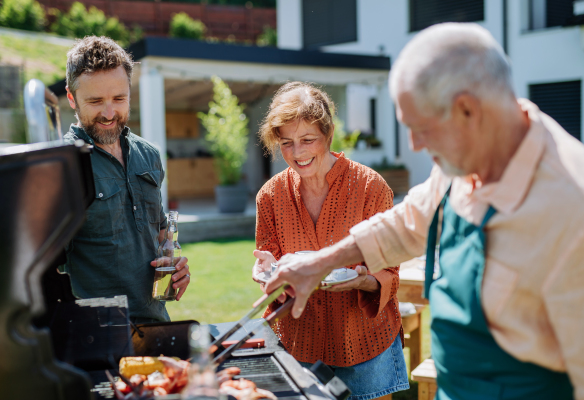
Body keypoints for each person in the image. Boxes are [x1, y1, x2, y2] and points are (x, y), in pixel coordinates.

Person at [266, 23, 583, 400]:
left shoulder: (568, 207)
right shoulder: (464, 162)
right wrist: (319, 263)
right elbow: (405, 225)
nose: (415, 145)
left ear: (467, 109)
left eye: (421, 128)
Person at [252, 82, 409, 399]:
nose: (298, 153)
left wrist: (360, 282)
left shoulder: (370, 187)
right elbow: (272, 267)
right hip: (300, 344)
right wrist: (267, 272)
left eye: (308, 140)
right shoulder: (270, 195)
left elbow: (388, 274)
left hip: (364, 343)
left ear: (328, 134)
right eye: (287, 143)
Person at [62, 36, 191, 323]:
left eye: (119, 99)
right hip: (95, 336)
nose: (109, 114)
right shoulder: (61, 165)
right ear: (72, 98)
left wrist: (175, 263)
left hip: (156, 323)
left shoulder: (149, 154)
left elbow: (159, 233)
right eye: (95, 101)